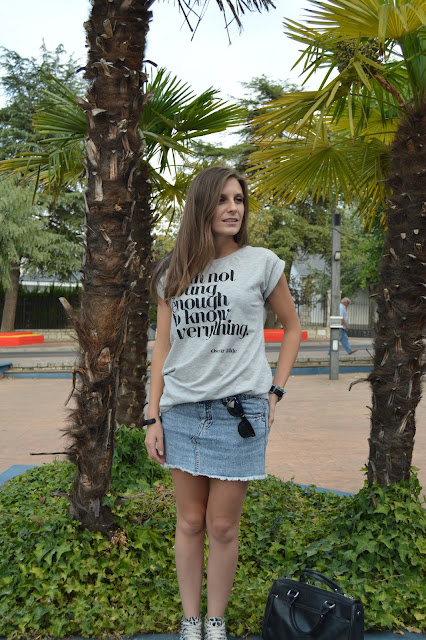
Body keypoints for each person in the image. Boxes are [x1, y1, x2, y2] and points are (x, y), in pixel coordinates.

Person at [145, 166, 301, 640]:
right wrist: (152, 415)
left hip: (239, 416)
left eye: (239, 199)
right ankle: (190, 621)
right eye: (223, 199)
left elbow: (293, 327)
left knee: (222, 527)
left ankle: (216, 622)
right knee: (190, 521)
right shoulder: (172, 271)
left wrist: (276, 390)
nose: (234, 208)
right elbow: (162, 347)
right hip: (182, 411)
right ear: (202, 206)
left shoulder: (262, 263)